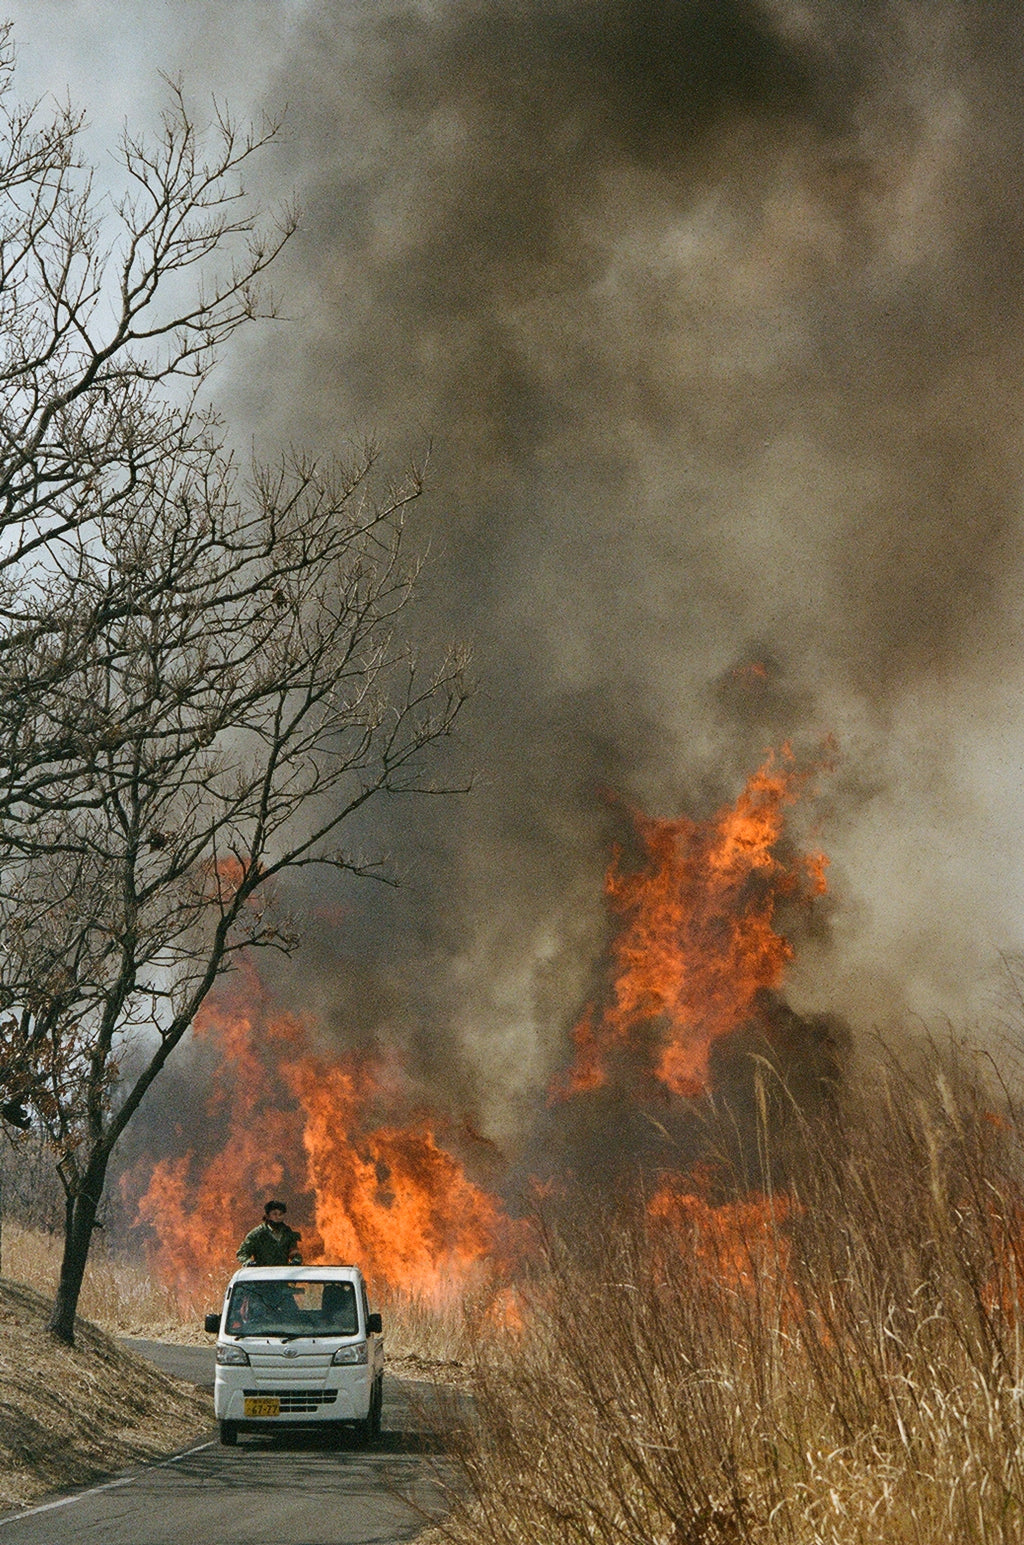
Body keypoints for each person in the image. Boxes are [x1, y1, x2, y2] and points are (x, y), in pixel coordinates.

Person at [236, 1200, 303, 1266]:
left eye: (281, 1214)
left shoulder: (288, 1233)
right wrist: (249, 1262)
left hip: (283, 1273)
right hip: (262, 1273)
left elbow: (294, 1253)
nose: (278, 1217)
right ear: (268, 1216)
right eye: (274, 1214)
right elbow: (242, 1253)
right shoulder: (257, 1234)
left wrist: (296, 1260)